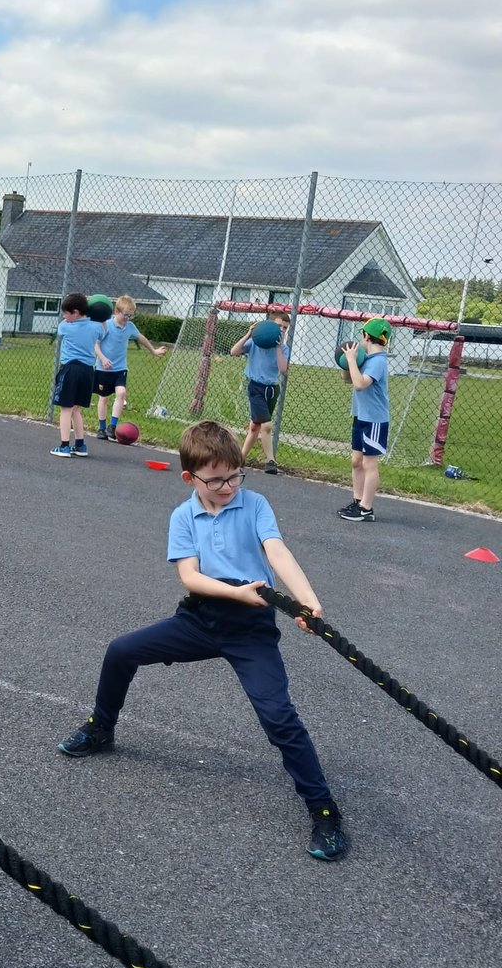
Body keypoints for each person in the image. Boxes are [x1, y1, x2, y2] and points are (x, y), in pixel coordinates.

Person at [57, 419, 348, 862]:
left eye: (235, 476)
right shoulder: (183, 516)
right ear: (190, 478)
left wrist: (307, 601)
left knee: (278, 716)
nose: (228, 487)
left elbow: (277, 552)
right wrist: (236, 591)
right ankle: (101, 728)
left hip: (251, 629)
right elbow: (190, 576)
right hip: (201, 619)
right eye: (216, 481)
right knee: (121, 651)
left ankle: (324, 810)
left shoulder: (255, 504)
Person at [337, 317, 391, 522]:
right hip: (361, 416)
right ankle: (358, 501)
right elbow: (348, 380)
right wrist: (345, 363)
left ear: (366, 336)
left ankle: (366, 509)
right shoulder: (366, 359)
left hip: (374, 420)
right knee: (356, 461)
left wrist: (352, 360)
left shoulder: (378, 362)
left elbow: (360, 384)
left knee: (369, 464)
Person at [94, 295, 167, 440]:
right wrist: (102, 358)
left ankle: (112, 427)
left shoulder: (130, 327)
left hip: (120, 368)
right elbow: (95, 345)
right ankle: (101, 428)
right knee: (104, 398)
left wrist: (153, 351)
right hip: (104, 369)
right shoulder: (106, 325)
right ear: (117, 311)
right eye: (125, 315)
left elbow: (141, 338)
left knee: (121, 393)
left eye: (130, 316)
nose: (127, 318)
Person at [230, 306, 290, 474]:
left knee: (255, 427)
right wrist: (249, 334)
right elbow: (234, 351)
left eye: (285, 328)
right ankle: (270, 461)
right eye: (278, 326)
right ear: (268, 326)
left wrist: (278, 348)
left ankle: (240, 458)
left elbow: (283, 369)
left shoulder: (283, 349)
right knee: (267, 425)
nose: (282, 330)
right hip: (256, 388)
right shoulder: (255, 343)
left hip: (272, 390)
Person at [51, 291, 105, 458]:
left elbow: (61, 330)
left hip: (70, 370)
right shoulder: (96, 327)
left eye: (66, 313)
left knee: (66, 409)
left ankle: (64, 446)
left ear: (75, 312)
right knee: (76, 409)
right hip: (88, 372)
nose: (64, 317)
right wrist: (100, 315)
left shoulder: (65, 326)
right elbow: (103, 331)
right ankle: (80, 445)